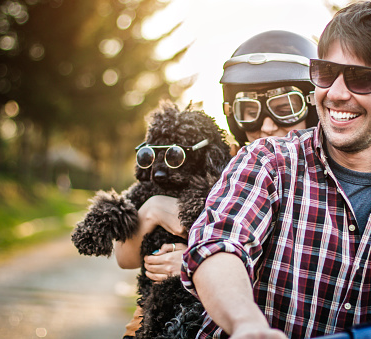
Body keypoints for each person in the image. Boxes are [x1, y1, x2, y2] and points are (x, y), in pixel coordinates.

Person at [181, 1, 371, 338]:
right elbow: (219, 247)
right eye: (326, 73)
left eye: (361, 78)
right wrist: (245, 322)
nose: (335, 94)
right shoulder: (268, 161)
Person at [114, 30, 319, 339]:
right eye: (249, 111)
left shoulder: (321, 182)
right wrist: (155, 208)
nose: (266, 124)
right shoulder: (214, 166)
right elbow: (125, 257)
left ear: (312, 106)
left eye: (285, 106)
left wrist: (194, 265)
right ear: (233, 116)